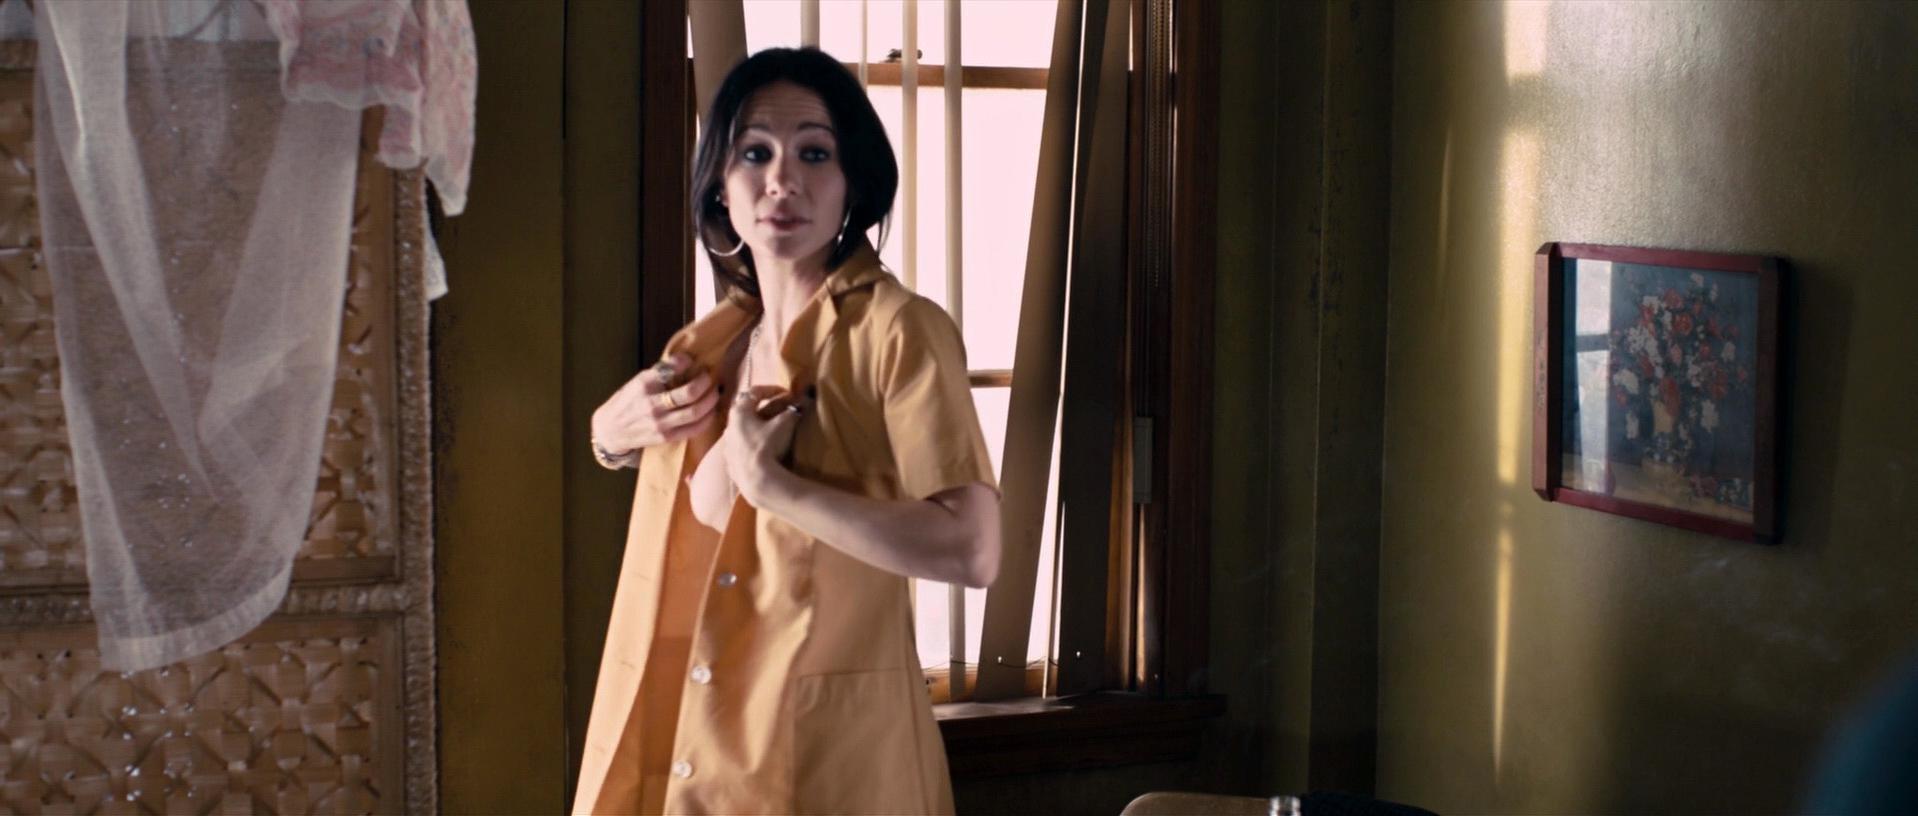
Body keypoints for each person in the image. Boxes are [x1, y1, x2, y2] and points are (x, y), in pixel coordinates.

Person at [574, 47, 1003, 815]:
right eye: (754, 153)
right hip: (700, 749)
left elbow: (972, 549)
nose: (783, 180)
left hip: (835, 765)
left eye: (814, 153)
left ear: (853, 183)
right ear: (720, 184)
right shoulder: (709, 347)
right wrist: (609, 435)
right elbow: (700, 510)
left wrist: (775, 487)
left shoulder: (898, 331)